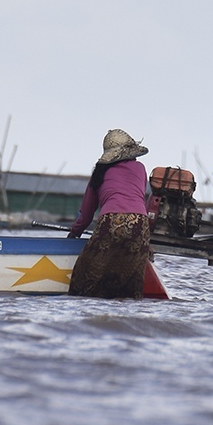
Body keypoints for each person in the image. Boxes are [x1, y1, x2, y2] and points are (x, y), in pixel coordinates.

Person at [66, 128, 152, 298]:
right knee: (130, 277)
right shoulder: (140, 168)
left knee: (86, 274)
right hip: (140, 224)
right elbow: (138, 198)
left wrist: (74, 233)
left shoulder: (99, 173)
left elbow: (86, 214)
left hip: (111, 221)